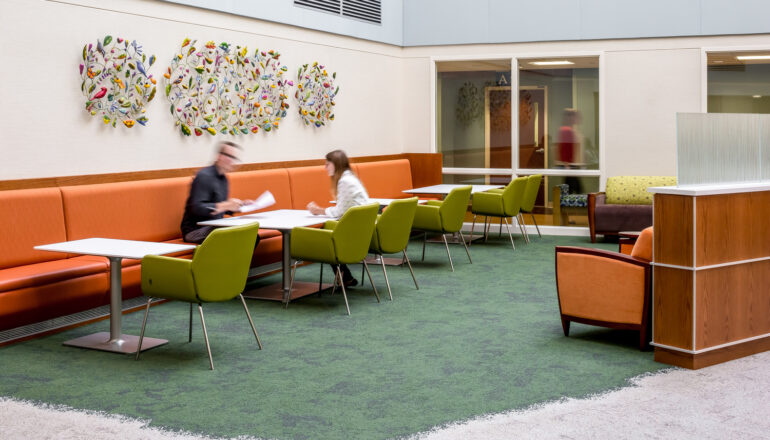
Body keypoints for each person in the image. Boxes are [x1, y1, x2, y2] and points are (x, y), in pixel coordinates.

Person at [307, 149, 369, 286]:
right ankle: (345, 277)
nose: (325, 167)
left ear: (336, 164)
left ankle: (345, 277)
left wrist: (318, 210)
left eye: (327, 164)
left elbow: (339, 212)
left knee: (325, 240)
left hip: (354, 231)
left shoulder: (345, 181)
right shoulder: (350, 178)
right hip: (363, 229)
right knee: (327, 235)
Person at [180, 141, 251, 243]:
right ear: (219, 156)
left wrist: (241, 205)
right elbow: (197, 208)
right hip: (195, 230)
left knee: (251, 236)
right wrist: (225, 205)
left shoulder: (223, 178)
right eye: (229, 156)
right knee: (241, 237)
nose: (232, 161)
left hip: (215, 226)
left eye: (234, 158)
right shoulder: (204, 176)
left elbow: (220, 206)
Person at [556, 108, 583, 194]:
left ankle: (564, 205)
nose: (578, 119)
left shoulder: (571, 130)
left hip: (571, 165)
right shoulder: (566, 130)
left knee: (570, 188)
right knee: (576, 188)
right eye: (575, 117)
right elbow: (564, 148)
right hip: (569, 165)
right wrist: (566, 164)